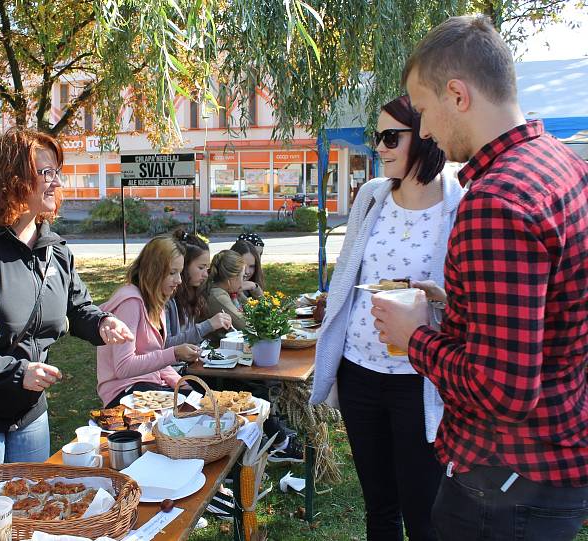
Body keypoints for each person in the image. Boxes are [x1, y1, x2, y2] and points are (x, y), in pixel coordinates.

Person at [372, 15, 588, 541]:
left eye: (422, 110)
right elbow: (552, 308)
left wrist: (415, 339)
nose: (423, 131)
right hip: (550, 462)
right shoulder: (561, 164)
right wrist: (460, 305)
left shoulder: (495, 201)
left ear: (457, 95)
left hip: (504, 482)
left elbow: (504, 391)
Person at [0, 128, 133, 476]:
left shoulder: (55, 249)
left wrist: (102, 323)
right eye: (45, 173)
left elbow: (77, 308)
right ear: (11, 178)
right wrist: (16, 372)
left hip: (30, 414)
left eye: (57, 172)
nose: (56, 182)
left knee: (32, 510)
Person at [310, 95, 464, 541]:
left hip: (419, 378)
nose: (379, 146)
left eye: (391, 136)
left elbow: (468, 298)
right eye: (376, 136)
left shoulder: (459, 205)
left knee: (422, 511)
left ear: (427, 134)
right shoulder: (372, 196)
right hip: (359, 373)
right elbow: (348, 272)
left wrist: (438, 302)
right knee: (379, 507)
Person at [202, 250, 303, 463]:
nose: (246, 276)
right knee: (258, 387)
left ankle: (274, 436)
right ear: (230, 279)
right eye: (241, 274)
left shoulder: (231, 292)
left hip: (237, 358)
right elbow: (246, 325)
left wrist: (255, 292)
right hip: (222, 363)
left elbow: (261, 311)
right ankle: (278, 442)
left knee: (266, 379)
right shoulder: (218, 296)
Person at [97, 236, 201, 407]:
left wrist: (181, 384)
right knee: (198, 411)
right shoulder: (130, 302)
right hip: (124, 393)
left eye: (180, 273)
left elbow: (153, 357)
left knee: (200, 398)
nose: (179, 280)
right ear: (154, 270)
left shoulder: (153, 300)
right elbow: (124, 367)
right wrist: (174, 353)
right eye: (172, 273)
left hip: (148, 385)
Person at [164, 230, 232, 347]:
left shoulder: (193, 293)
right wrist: (208, 326)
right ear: (183, 266)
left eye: (207, 268)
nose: (206, 274)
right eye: (201, 267)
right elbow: (166, 345)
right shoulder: (168, 299)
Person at [201, 250, 248, 339]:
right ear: (232, 278)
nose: (243, 281)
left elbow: (254, 310)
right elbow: (245, 325)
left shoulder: (229, 291)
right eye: (243, 276)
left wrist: (255, 289)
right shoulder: (217, 296)